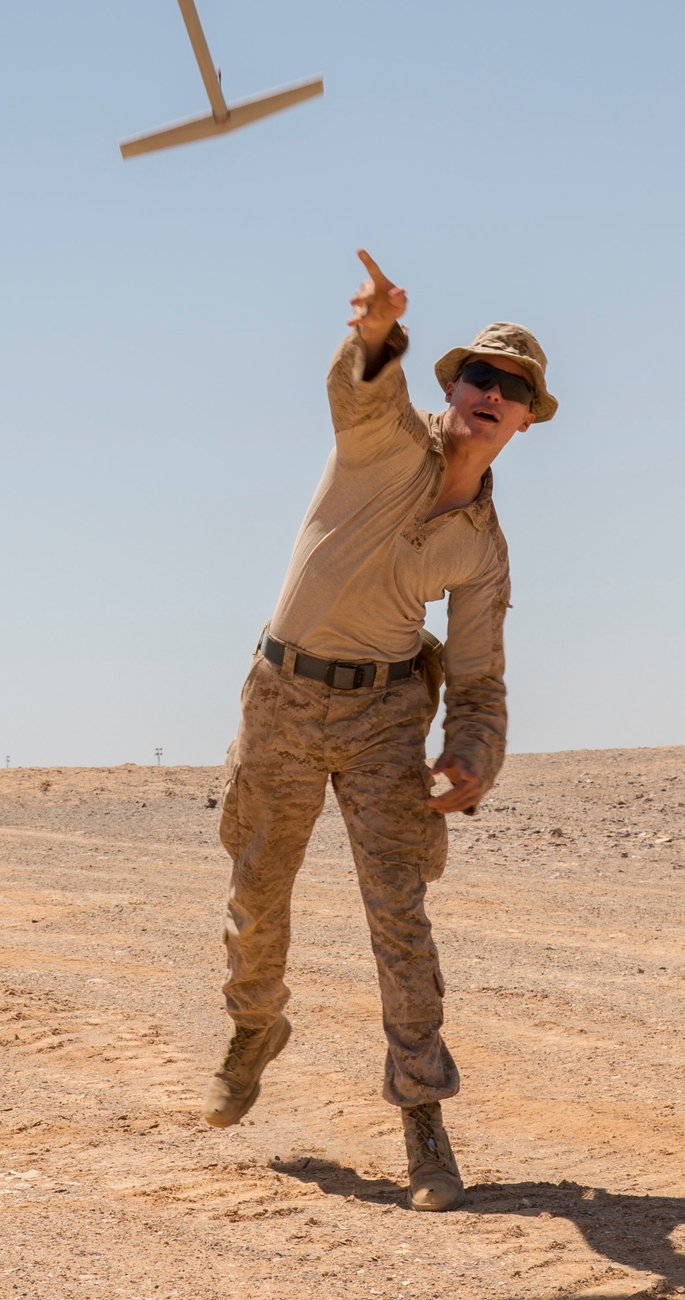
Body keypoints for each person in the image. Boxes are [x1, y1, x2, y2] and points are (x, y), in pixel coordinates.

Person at [203, 250, 557, 1210]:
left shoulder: (481, 548)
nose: (491, 393)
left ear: (526, 420)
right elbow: (359, 392)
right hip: (280, 697)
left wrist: (473, 758)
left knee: (398, 913)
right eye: (478, 376)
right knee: (258, 889)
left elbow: (479, 678)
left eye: (512, 388)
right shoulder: (385, 444)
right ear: (450, 389)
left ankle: (422, 1120)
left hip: (384, 716)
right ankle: (253, 1026)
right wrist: (374, 334)